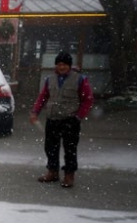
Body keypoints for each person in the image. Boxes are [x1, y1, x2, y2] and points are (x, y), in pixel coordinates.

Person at [29, 51, 95, 188]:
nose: (61, 67)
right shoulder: (50, 79)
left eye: (64, 64)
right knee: (50, 148)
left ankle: (69, 175)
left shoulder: (80, 79)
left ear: (69, 65)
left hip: (70, 119)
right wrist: (35, 111)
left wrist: (79, 116)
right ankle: (52, 172)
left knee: (70, 149)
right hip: (53, 118)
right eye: (59, 64)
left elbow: (87, 100)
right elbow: (43, 97)